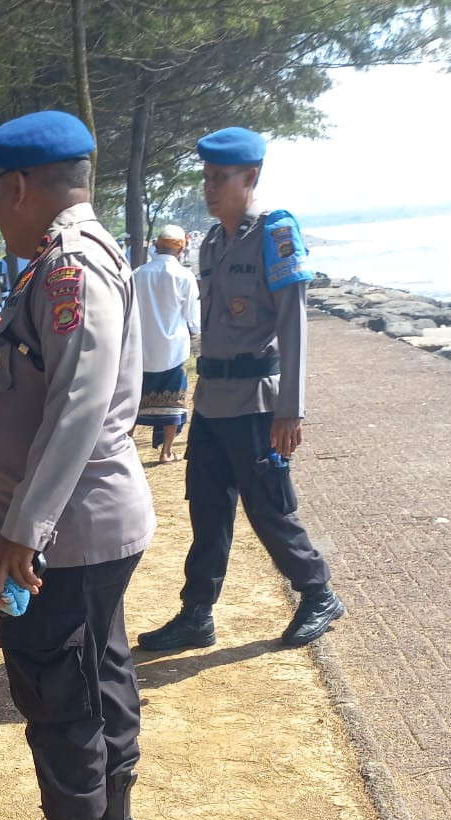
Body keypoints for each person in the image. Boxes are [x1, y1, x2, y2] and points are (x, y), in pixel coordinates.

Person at [0, 110, 156, 820]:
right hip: (75, 526)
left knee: (58, 687)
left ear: (19, 187)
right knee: (97, 676)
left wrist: (22, 529)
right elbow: (37, 401)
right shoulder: (63, 263)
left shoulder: (70, 266)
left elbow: (79, 408)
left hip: (64, 535)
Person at [138, 127, 344, 652]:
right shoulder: (211, 243)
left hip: (256, 402)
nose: (209, 188)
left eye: (219, 178)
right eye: (206, 178)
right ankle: (197, 613)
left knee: (268, 508)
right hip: (212, 400)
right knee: (206, 508)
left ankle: (317, 591)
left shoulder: (275, 233)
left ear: (250, 177)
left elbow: (294, 325)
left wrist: (289, 409)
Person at [132, 224, 199, 464]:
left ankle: (128, 449)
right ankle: (166, 452)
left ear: (156, 246)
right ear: (181, 250)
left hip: (142, 351)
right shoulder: (185, 276)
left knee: (134, 403)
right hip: (173, 350)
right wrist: (197, 332)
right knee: (173, 402)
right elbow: (192, 315)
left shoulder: (138, 273)